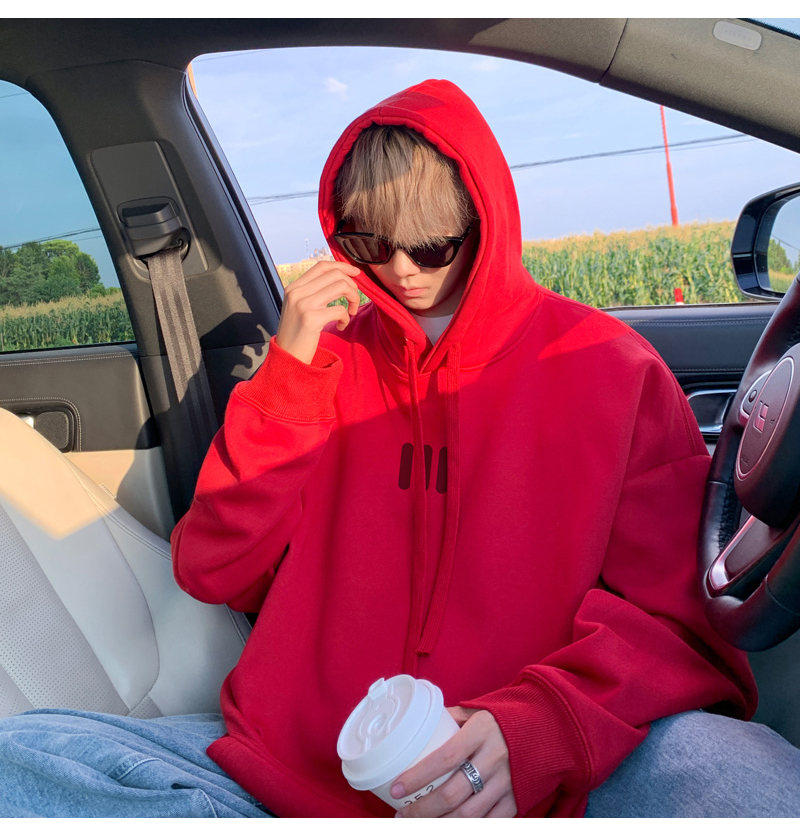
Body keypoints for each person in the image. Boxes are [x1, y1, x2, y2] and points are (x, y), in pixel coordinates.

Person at [1, 78, 800, 819]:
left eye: (431, 246)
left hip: (537, 783)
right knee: (24, 754)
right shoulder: (323, 366)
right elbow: (213, 566)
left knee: (738, 772)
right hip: (289, 777)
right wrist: (289, 376)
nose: (400, 270)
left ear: (482, 220)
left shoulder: (610, 369)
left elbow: (675, 625)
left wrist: (542, 724)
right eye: (367, 243)